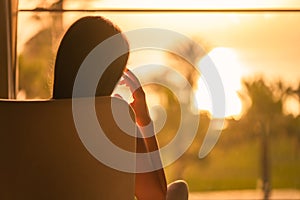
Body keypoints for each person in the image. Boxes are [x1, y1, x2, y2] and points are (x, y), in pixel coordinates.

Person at [52, 16, 188, 200]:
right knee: (178, 190)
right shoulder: (116, 121)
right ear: (111, 73)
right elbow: (156, 196)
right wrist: (144, 120)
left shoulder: (30, 120)